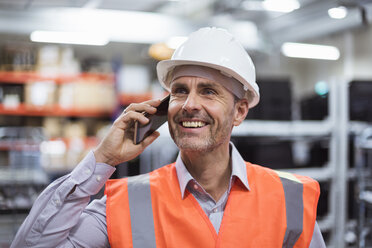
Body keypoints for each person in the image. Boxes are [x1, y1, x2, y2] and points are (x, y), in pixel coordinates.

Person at [11, 27, 326, 248]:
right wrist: (102, 160)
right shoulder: (125, 203)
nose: (190, 105)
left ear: (240, 111)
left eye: (208, 91)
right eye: (179, 91)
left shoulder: (290, 199)